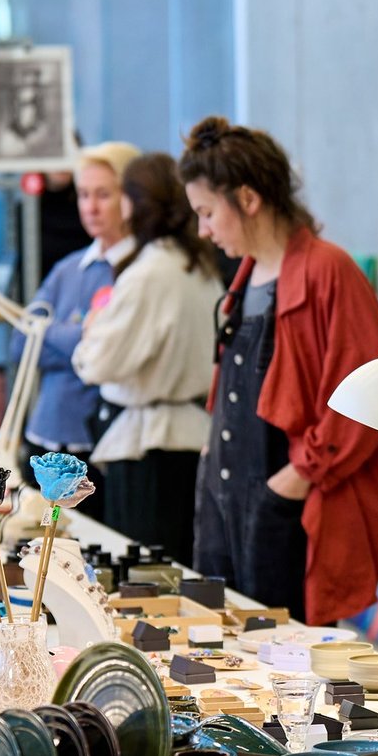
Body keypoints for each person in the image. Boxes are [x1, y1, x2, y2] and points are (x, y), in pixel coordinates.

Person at [179, 116, 378, 626]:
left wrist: (297, 477)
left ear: (248, 199)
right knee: (216, 642)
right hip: (224, 496)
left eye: (207, 213)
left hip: (285, 500)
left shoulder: (328, 271)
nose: (203, 230)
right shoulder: (245, 279)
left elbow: (371, 393)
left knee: (286, 654)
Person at [72, 153, 222, 564]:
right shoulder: (200, 265)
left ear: (133, 203)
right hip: (193, 434)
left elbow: (97, 363)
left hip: (151, 447)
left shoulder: (150, 272)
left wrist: (91, 329)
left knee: (145, 578)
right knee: (179, 569)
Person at [14, 141, 140, 502]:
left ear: (130, 199)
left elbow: (112, 356)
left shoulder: (139, 273)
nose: (90, 207)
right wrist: (80, 335)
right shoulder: (67, 269)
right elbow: (21, 345)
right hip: (44, 439)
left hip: (101, 447)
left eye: (103, 194)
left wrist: (51, 335)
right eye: (84, 194)